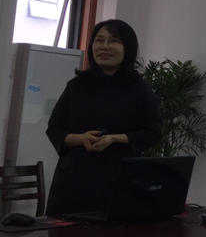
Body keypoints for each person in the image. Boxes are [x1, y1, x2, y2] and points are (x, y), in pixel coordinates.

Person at [46, 19, 163, 216]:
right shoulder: (76, 86)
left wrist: (113, 138)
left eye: (113, 41)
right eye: (99, 40)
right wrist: (81, 139)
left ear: (127, 48)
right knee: (64, 234)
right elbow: (54, 129)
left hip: (118, 179)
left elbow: (153, 132)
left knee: (112, 233)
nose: (104, 46)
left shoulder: (139, 89)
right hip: (74, 180)